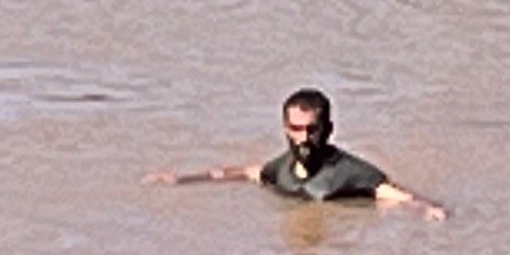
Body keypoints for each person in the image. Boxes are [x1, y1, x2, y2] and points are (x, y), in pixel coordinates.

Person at [149, 88, 446, 218]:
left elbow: (396, 195)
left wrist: (428, 208)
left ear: (327, 129)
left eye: (310, 130)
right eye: (295, 129)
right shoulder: (280, 170)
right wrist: (182, 180)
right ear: (285, 128)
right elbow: (242, 173)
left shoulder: (351, 173)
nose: (302, 139)